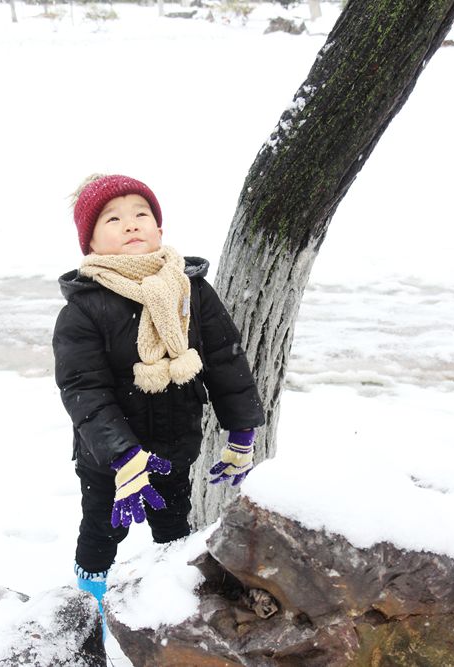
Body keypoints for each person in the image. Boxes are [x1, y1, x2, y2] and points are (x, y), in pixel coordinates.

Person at [52, 174, 266, 618]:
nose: (131, 225)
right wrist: (121, 455)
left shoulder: (191, 290)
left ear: (160, 230)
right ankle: (88, 611)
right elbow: (84, 390)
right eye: (113, 219)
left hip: (173, 447)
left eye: (140, 215)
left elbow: (225, 359)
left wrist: (241, 429)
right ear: (89, 245)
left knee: (174, 531)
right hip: (109, 460)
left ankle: (174, 615)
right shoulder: (82, 309)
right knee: (99, 533)